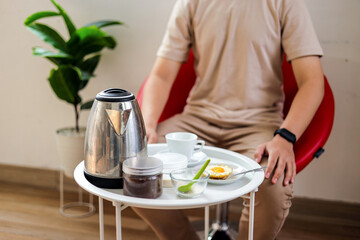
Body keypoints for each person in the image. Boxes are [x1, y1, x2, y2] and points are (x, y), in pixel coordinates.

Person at [133, 0, 324, 239]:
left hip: (258, 123)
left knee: (273, 187)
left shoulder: (286, 3)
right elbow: (161, 75)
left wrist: (285, 137)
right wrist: (147, 125)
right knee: (133, 164)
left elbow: (312, 82)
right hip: (197, 120)